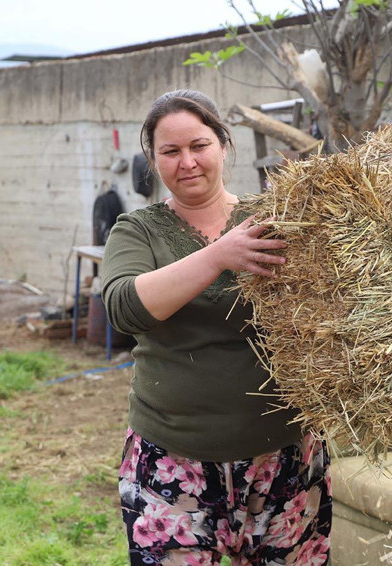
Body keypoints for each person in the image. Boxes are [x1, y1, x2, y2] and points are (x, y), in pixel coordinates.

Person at [101, 89, 331, 566]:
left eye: (199, 145)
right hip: (172, 461)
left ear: (223, 146)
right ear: (153, 159)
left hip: (281, 458)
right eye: (170, 151)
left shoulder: (273, 222)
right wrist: (218, 256)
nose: (187, 162)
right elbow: (124, 309)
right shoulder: (137, 229)